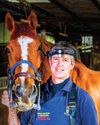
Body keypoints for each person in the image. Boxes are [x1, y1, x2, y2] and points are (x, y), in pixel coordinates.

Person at [2, 41, 98, 125]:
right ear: (50, 62)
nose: (59, 64)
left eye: (65, 60)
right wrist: (11, 108)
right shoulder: (35, 95)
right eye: (55, 59)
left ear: (72, 65)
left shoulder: (82, 98)